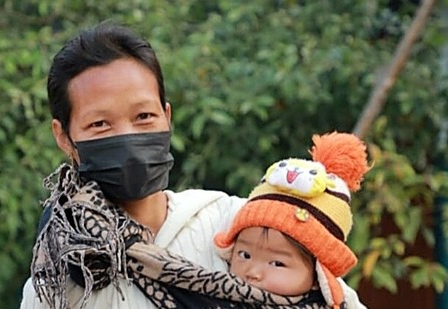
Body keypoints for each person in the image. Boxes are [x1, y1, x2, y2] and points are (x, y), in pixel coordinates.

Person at [19, 22, 367, 309]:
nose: (127, 136)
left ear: (166, 117)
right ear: (64, 137)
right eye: (101, 125)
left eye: (143, 116)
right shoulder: (60, 278)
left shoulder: (238, 226)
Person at [214, 132, 370, 309]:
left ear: (318, 277)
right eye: (245, 255)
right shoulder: (207, 290)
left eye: (277, 263)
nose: (253, 273)